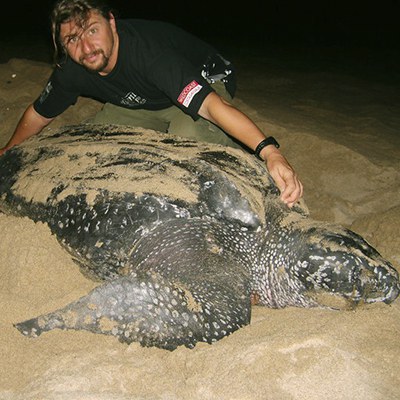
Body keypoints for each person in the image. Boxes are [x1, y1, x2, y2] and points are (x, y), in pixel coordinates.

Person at [0, 0, 303, 207]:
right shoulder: (73, 69)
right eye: (72, 40)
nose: (86, 47)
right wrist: (8, 151)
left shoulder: (151, 55)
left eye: (92, 30)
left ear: (111, 23)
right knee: (89, 144)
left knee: (189, 135)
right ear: (63, 46)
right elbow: (39, 114)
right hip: (140, 98)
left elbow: (212, 107)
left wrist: (270, 151)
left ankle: (243, 165)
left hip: (203, 79)